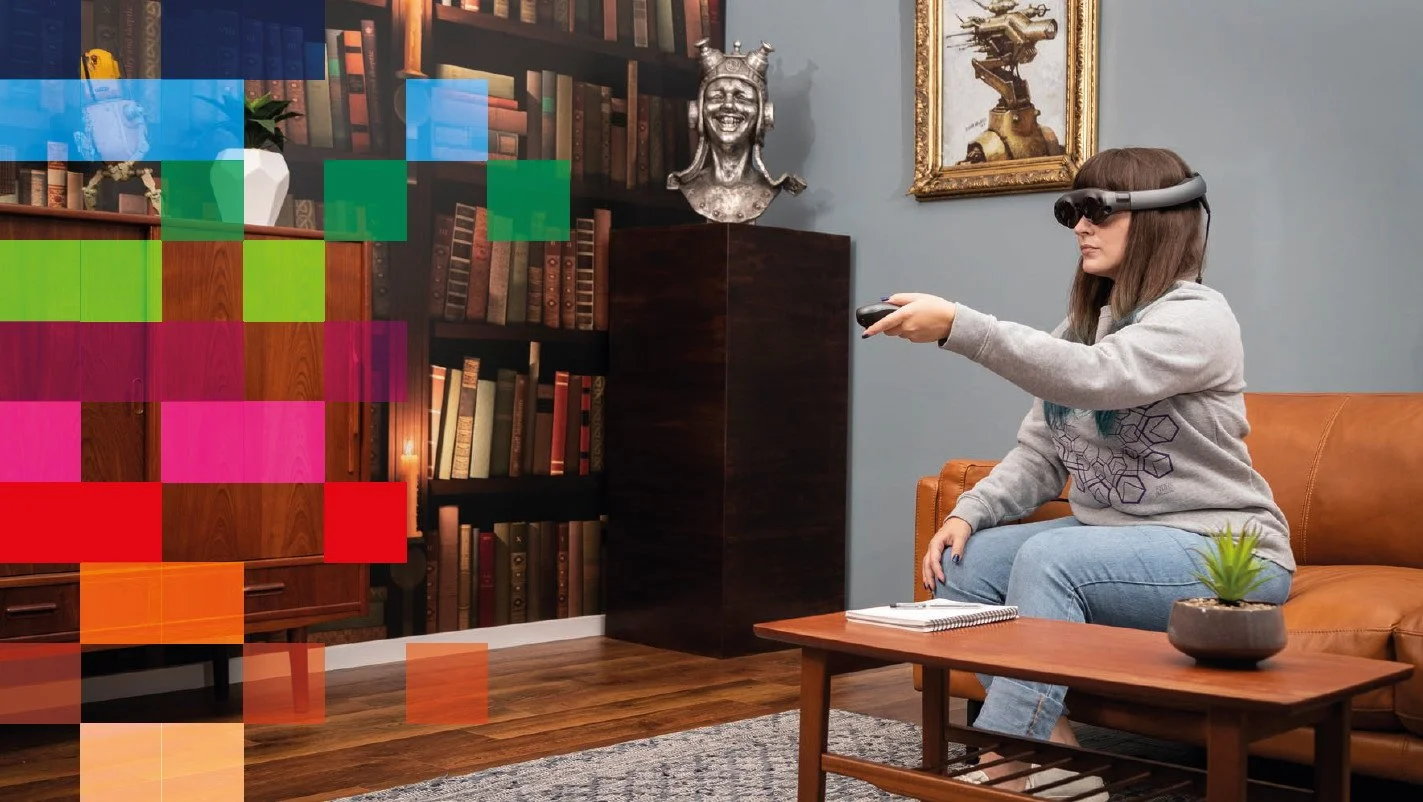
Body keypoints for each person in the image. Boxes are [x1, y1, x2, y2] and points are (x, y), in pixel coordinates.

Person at [862, 146, 1294, 799]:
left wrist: (959, 326)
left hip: (1224, 549)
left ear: (1157, 219)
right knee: (962, 566)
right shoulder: (1083, 324)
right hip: (1115, 542)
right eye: (1071, 213)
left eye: (1096, 211)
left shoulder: (1197, 317)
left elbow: (1096, 379)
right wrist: (968, 513)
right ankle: (1057, 755)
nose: (1080, 228)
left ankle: (1005, 761)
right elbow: (1042, 450)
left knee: (1051, 558)